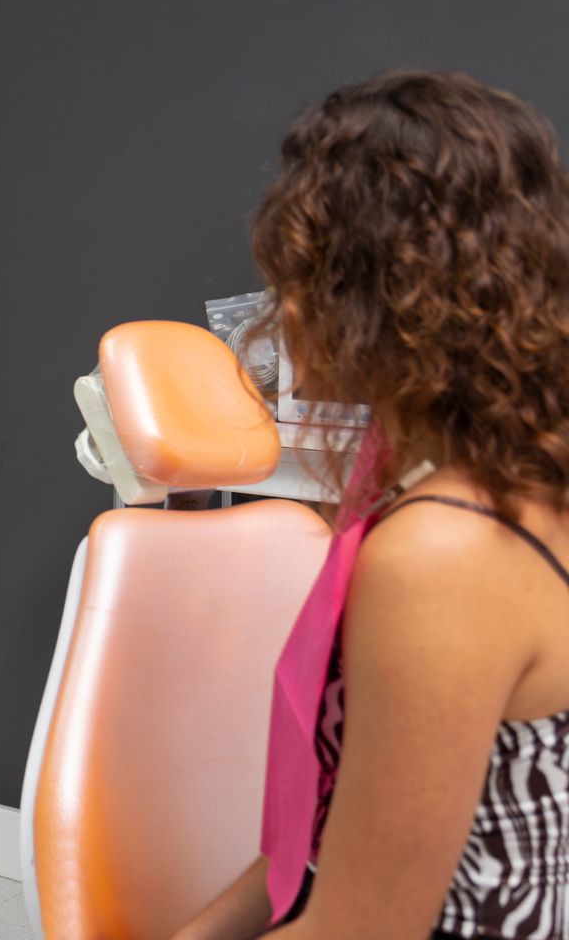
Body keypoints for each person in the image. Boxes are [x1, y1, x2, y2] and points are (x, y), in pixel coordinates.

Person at [174, 70, 569, 939]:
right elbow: (335, 840)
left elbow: (357, 929)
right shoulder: (512, 484)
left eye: (300, 272)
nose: (281, 308)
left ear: (376, 294)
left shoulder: (443, 555)